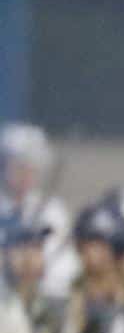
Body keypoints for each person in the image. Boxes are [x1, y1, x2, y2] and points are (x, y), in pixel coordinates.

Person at [1, 123, 76, 297]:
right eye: (19, 166)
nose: (26, 173)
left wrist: (36, 265)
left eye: (32, 166)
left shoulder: (53, 211)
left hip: (41, 298)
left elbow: (65, 264)